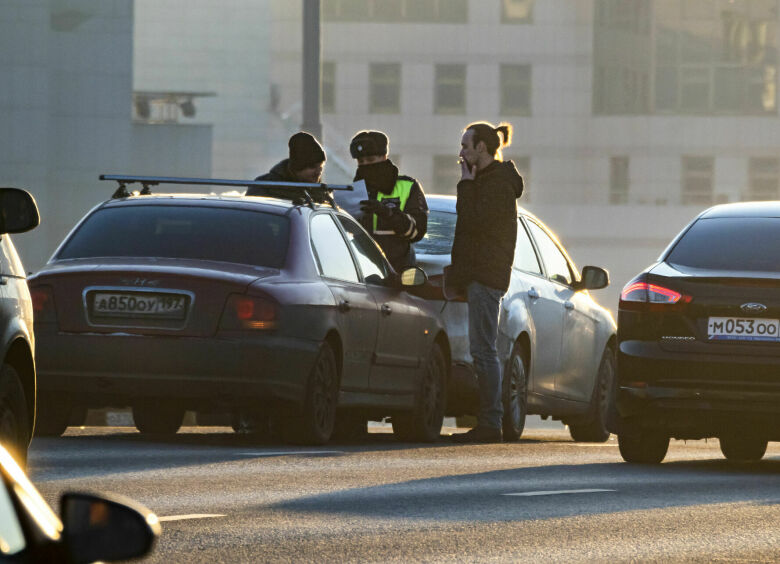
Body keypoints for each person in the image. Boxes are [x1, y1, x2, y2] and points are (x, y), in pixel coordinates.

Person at [449, 121, 524, 444]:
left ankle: (491, 422)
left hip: (486, 275)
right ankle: (489, 419)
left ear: (482, 148)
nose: (462, 152)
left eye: (466, 145)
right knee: (482, 349)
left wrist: (466, 185)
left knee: (484, 350)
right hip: (478, 274)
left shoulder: (495, 184)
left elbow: (474, 222)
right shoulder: (489, 180)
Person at [350, 130, 428, 273]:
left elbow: (417, 232)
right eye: (361, 162)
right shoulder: (354, 190)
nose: (365, 165)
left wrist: (388, 214)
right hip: (361, 273)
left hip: (399, 272)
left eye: (371, 160)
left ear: (384, 156)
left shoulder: (408, 186)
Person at [247, 131, 326, 197]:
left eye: (321, 166)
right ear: (298, 166)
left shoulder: (320, 192)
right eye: (313, 167)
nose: (318, 171)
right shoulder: (264, 186)